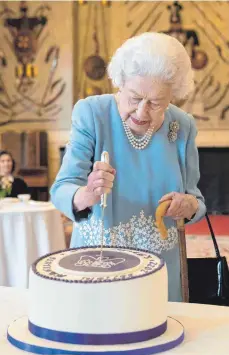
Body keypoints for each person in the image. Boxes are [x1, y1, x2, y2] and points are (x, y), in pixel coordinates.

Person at [50, 32, 206, 302]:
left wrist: (188, 205)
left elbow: (198, 201)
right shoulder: (92, 113)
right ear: (120, 84)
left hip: (160, 271)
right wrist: (87, 194)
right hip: (98, 266)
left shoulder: (183, 125)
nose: (142, 112)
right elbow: (62, 189)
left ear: (172, 97)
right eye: (134, 98)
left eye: (156, 103)